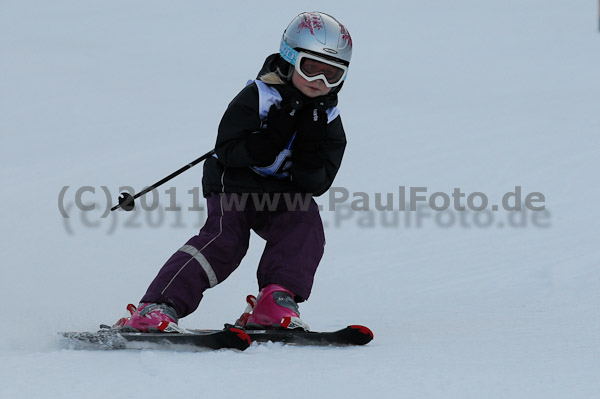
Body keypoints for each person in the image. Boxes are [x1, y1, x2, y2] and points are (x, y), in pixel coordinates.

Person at [120, 11, 353, 332]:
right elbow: (228, 151)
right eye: (311, 68)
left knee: (304, 224)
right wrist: (272, 135)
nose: (319, 82)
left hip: (282, 194)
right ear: (290, 58)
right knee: (225, 241)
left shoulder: (328, 119)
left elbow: (317, 183)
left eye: (332, 74)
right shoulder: (259, 96)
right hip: (234, 186)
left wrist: (310, 148)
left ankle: (276, 300)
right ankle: (157, 305)